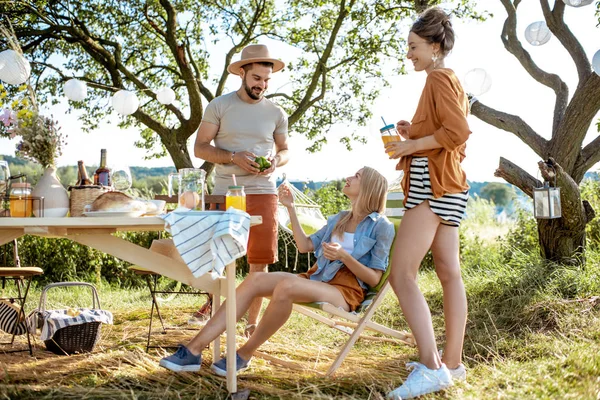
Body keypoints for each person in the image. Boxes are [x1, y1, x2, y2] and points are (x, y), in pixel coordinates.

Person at [159, 167, 395, 375]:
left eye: (357, 176)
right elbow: (305, 246)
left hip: (346, 290)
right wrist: (290, 208)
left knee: (286, 286)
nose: (348, 177)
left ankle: (244, 354)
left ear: (369, 187)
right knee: (255, 279)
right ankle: (193, 350)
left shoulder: (381, 226)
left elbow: (374, 278)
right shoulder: (341, 219)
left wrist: (344, 256)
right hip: (319, 279)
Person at [384, 7, 471, 400]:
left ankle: (432, 367)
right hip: (452, 186)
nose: (409, 54)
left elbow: (457, 131)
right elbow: (444, 131)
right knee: (448, 272)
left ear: (435, 47)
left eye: (414, 46)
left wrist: (412, 145)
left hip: (431, 188)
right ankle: (452, 363)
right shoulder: (448, 79)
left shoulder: (437, 78)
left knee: (401, 274)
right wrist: (413, 131)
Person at [191, 44, 289, 334]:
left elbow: (285, 150)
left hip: (264, 191)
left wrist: (275, 162)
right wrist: (233, 157)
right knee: (219, 256)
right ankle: (213, 310)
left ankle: (252, 324)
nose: (262, 85)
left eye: (267, 80)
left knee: (259, 261)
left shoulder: (276, 111)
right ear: (243, 73)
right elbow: (200, 148)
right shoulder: (219, 106)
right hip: (226, 190)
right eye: (257, 78)